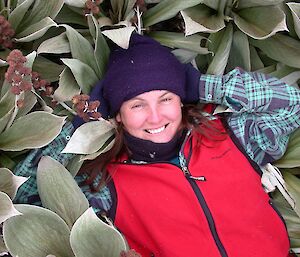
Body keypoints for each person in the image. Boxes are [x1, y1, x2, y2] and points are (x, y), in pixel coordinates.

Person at [14, 33, 300, 257]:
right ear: (118, 116)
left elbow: (291, 104)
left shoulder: (234, 135)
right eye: (137, 105)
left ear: (182, 98)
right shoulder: (106, 184)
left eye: (166, 98)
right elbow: (23, 198)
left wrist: (200, 84)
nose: (155, 116)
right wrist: (82, 126)